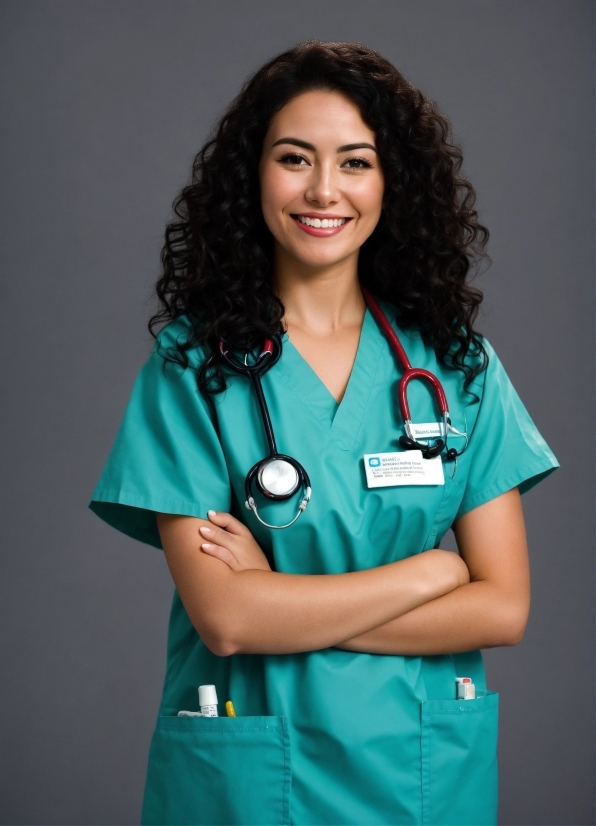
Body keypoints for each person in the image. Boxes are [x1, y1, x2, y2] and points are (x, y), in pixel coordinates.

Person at [89, 41, 559, 826]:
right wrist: (433, 577)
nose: (322, 190)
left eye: (355, 163)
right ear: (253, 176)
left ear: (391, 182)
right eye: (294, 158)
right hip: (252, 782)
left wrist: (283, 601)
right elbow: (229, 621)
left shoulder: (453, 367)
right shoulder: (194, 369)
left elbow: (503, 608)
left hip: (417, 776)